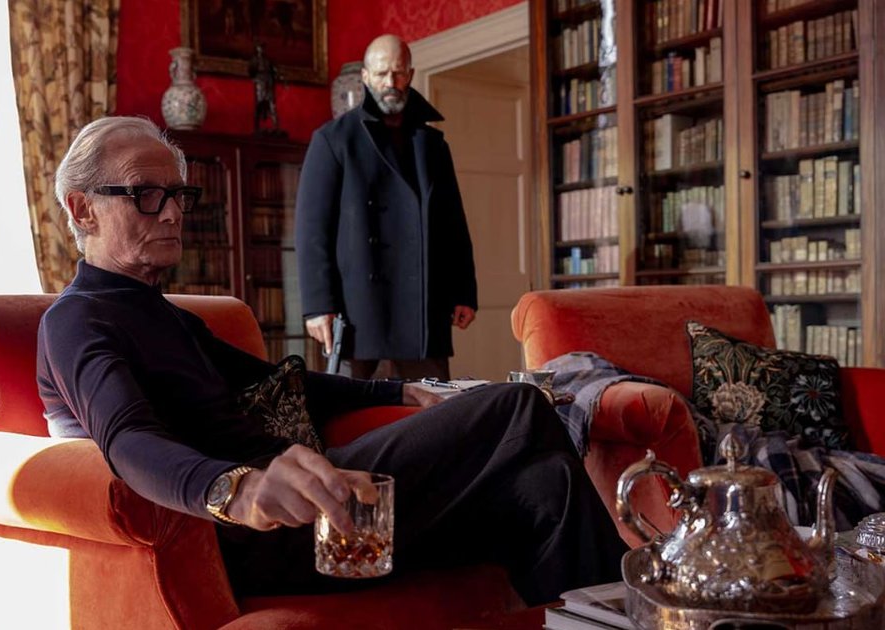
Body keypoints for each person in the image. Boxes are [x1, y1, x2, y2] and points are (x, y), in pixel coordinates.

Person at [37, 115, 626, 605]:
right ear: (83, 209)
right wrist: (238, 491)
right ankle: (641, 598)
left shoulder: (166, 316)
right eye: (145, 194)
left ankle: (607, 617)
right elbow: (127, 439)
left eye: (177, 195)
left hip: (311, 501)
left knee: (544, 485)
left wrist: (397, 392)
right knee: (519, 404)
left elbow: (280, 381)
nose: (171, 213)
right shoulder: (76, 321)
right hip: (259, 530)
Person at [295, 34, 477, 381]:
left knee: (435, 408)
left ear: (410, 74)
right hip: (356, 309)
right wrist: (317, 305)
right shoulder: (334, 139)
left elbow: (453, 225)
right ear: (365, 77)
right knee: (349, 409)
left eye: (398, 72)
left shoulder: (434, 144)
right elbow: (311, 231)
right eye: (381, 74)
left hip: (423, 309)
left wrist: (463, 291)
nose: (390, 82)